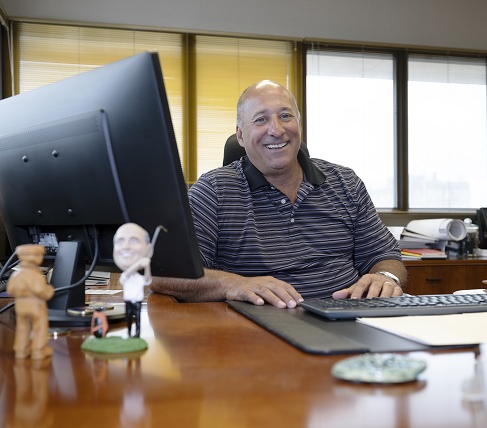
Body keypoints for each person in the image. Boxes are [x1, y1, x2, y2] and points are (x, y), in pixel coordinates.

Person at [150, 80, 406, 308]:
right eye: (260, 119)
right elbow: (166, 274)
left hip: (348, 320)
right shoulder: (213, 190)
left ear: (299, 124)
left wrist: (385, 277)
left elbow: (385, 256)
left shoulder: (346, 183)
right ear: (240, 135)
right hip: (257, 331)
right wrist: (233, 284)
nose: (277, 129)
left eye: (285, 116)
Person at [7, 244, 55, 359]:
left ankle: (21, 350)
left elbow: (10, 290)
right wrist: (50, 290)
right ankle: (38, 350)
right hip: (35, 305)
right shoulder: (35, 275)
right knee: (40, 326)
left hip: (21, 306)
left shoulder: (16, 274)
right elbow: (41, 291)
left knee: (22, 327)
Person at [113, 222, 153, 337]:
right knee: (128, 317)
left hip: (138, 302)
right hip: (128, 301)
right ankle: (129, 332)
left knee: (138, 318)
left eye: (134, 241)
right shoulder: (126, 276)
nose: (126, 247)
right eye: (120, 241)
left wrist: (147, 265)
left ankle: (137, 333)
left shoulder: (139, 278)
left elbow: (147, 279)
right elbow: (125, 275)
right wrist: (138, 264)